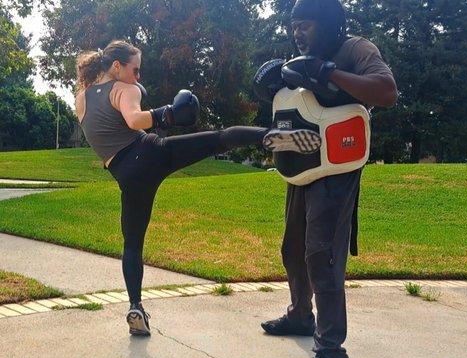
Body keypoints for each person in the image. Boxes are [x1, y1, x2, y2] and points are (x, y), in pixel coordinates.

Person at [74, 40, 321, 337]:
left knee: (132, 244)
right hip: (149, 153)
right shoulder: (125, 89)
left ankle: (135, 306)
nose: (138, 77)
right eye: (135, 69)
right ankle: (282, 136)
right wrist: (167, 113)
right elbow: (134, 119)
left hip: (125, 175)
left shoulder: (81, 99)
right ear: (117, 66)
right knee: (218, 139)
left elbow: (105, 131)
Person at [254, 0, 398, 358]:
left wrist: (330, 71)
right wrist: (274, 83)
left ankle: (333, 355)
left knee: (322, 253)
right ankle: (301, 314)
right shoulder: (300, 58)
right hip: (302, 164)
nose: (298, 33)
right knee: (292, 246)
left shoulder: (355, 50)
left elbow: (386, 91)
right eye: (294, 26)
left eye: (306, 25)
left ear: (329, 24)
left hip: (337, 167)